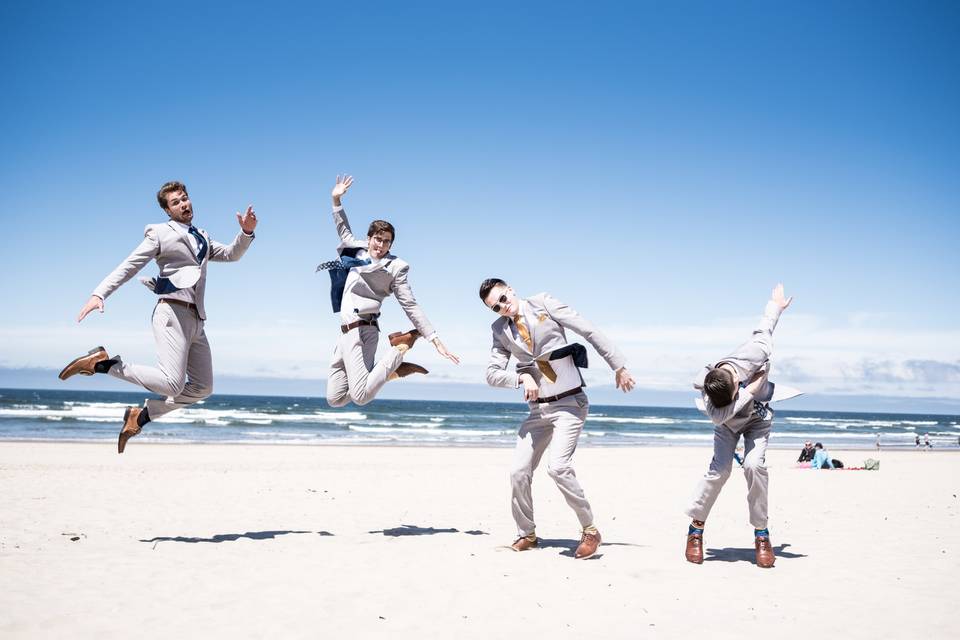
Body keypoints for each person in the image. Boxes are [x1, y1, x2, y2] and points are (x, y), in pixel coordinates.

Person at [58, 181, 256, 453]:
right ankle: (103, 364)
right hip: (171, 313)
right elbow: (130, 265)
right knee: (173, 383)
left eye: (184, 198)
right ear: (167, 210)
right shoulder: (160, 233)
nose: (183, 204)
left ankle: (141, 416)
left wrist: (245, 232)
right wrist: (99, 293)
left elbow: (232, 254)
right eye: (176, 202)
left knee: (203, 387)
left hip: (197, 319)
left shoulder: (202, 236)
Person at [480, 278, 636, 559]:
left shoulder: (542, 302)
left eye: (503, 298)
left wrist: (619, 365)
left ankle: (590, 530)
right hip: (537, 410)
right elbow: (491, 373)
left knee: (558, 467)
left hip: (569, 403)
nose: (503, 307)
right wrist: (520, 376)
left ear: (511, 289)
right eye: (495, 307)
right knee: (518, 471)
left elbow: (587, 329)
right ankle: (527, 533)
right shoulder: (499, 331)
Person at [320, 176, 459, 407]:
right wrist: (336, 199)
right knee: (335, 399)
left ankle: (400, 348)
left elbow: (410, 304)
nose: (381, 245)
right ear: (369, 238)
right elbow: (343, 230)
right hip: (344, 333)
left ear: (391, 244)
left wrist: (433, 338)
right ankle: (393, 370)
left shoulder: (396, 267)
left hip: (363, 331)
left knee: (361, 396)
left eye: (386, 241)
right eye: (377, 239)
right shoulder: (357, 251)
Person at [684, 284, 793, 569]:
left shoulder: (754, 353)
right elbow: (723, 415)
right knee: (719, 471)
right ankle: (696, 529)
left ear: (733, 382)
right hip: (728, 427)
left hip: (758, 419)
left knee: (753, 466)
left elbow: (763, 330)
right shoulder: (707, 390)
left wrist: (775, 307)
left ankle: (761, 534)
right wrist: (751, 388)